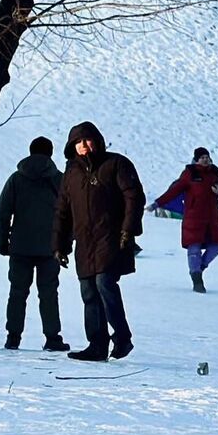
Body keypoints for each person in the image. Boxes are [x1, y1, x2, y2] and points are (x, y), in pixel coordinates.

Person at [53, 121, 144, 362]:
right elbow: (63, 210)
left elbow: (134, 196)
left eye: (87, 140)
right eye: (78, 142)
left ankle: (122, 337)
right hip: (84, 241)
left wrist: (128, 229)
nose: (83, 146)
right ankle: (97, 345)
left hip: (111, 237)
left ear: (97, 140)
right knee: (89, 292)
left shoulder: (116, 164)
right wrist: (60, 245)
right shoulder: (71, 173)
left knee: (105, 283)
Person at [0, 135, 69, 352]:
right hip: (51, 247)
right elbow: (69, 214)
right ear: (50, 153)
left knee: (17, 292)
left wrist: (3, 240)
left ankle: (13, 336)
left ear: (30, 151)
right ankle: (52, 337)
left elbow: (3, 212)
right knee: (48, 293)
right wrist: (65, 244)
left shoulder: (16, 179)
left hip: (20, 246)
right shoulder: (60, 180)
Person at [153, 148, 218, 292]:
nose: (205, 160)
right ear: (196, 159)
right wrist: (158, 203)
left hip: (212, 218)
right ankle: (196, 278)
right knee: (194, 247)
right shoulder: (190, 174)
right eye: (202, 158)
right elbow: (174, 191)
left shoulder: (215, 174)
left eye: (207, 157)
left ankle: (199, 268)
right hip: (193, 217)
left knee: (217, 246)